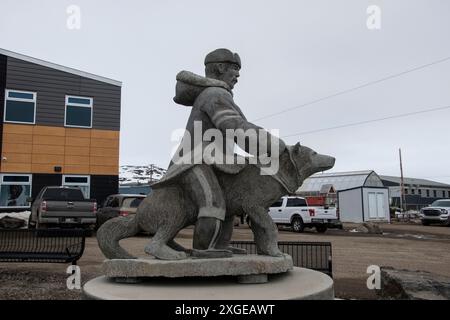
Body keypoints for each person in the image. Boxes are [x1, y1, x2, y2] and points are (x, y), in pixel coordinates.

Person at [154, 48, 286, 257]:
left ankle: (218, 247)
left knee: (226, 204)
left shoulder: (217, 94)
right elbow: (233, 126)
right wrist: (272, 144)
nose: (238, 75)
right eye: (234, 68)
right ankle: (203, 251)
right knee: (213, 203)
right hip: (194, 161)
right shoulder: (214, 94)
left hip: (211, 161)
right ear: (220, 68)